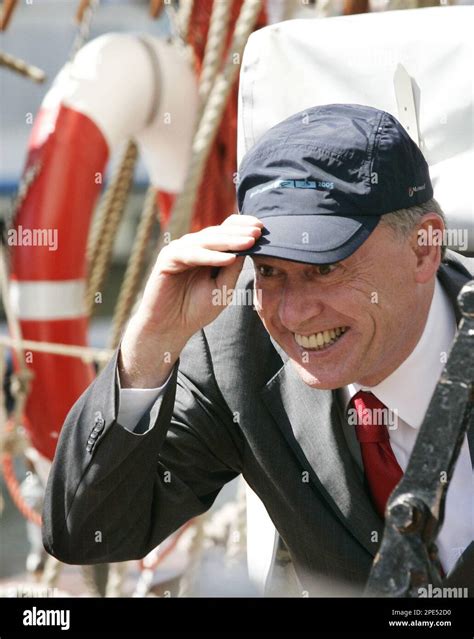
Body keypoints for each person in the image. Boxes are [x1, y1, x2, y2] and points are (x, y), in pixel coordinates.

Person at [42, 104, 473, 595]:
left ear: (424, 248)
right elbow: (85, 533)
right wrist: (150, 345)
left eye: (325, 268)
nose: (291, 315)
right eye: (268, 271)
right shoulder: (235, 354)